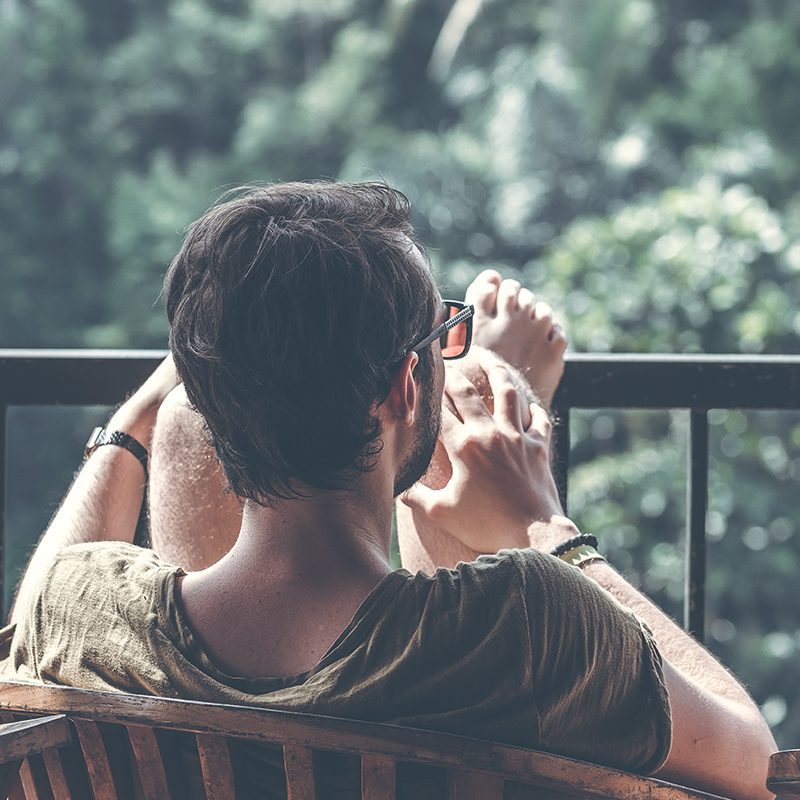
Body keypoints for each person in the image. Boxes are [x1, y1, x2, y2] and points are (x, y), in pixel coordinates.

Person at [0, 182, 775, 800]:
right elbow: (758, 764)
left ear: (204, 398)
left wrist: (135, 420)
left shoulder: (82, 611)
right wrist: (548, 525)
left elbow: (30, 624)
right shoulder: (530, 623)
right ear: (409, 385)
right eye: (441, 341)